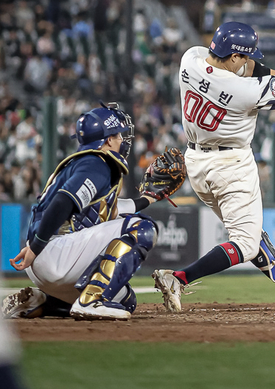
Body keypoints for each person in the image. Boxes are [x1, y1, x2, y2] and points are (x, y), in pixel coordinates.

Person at [152, 22, 275, 312]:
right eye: (245, 56)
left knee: (250, 233)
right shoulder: (245, 91)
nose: (248, 61)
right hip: (231, 166)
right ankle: (179, 278)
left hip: (197, 163)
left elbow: (248, 71)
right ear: (235, 55)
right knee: (246, 243)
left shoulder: (190, 59)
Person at [2, 103, 162, 321]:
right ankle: (91, 301)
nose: (122, 140)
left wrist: (148, 198)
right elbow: (62, 202)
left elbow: (111, 210)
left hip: (51, 255)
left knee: (125, 299)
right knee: (143, 228)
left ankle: (43, 301)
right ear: (107, 140)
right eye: (118, 135)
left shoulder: (86, 162)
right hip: (53, 252)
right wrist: (36, 247)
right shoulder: (97, 163)